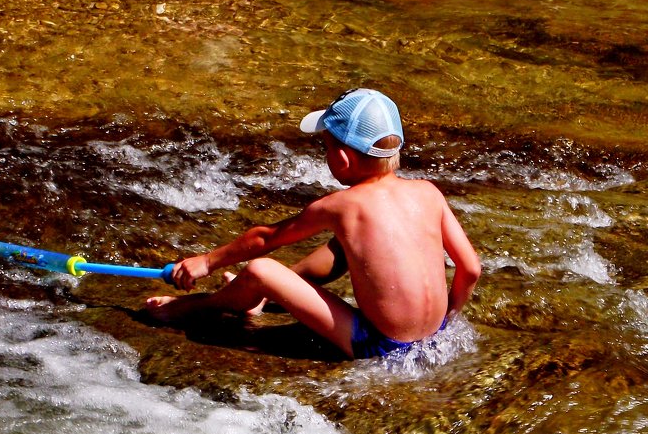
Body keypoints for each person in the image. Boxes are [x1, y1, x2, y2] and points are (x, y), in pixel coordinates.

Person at [145, 88, 481, 360]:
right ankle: (265, 300)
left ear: (343, 158)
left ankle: (200, 308)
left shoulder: (343, 205)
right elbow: (471, 268)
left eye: (327, 145)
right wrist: (448, 316)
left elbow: (268, 238)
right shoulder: (428, 192)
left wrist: (206, 261)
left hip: (380, 344)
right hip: (435, 334)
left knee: (261, 271)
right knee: (350, 244)